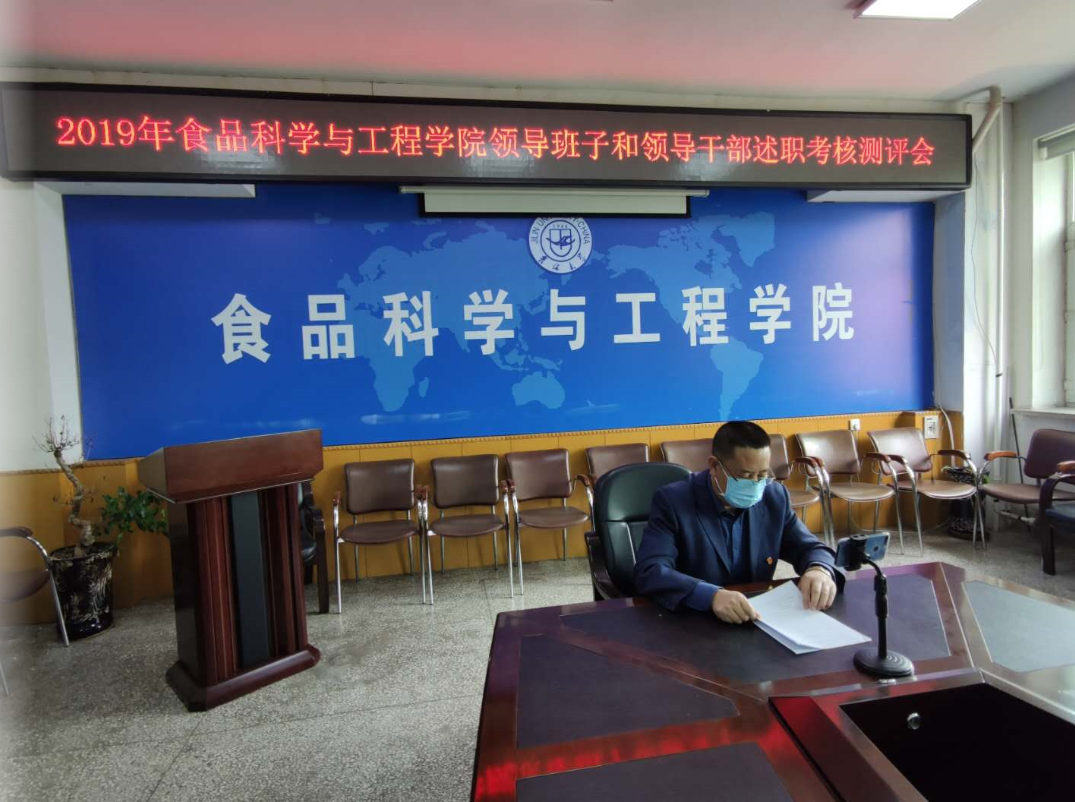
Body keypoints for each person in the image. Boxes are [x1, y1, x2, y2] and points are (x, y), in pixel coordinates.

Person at [634, 420, 841, 623]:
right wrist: (710, 595)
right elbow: (650, 570)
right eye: (746, 476)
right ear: (714, 466)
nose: (755, 484)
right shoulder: (674, 501)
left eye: (762, 475)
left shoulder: (773, 496)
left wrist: (819, 569)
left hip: (756, 615)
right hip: (694, 620)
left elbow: (810, 547)